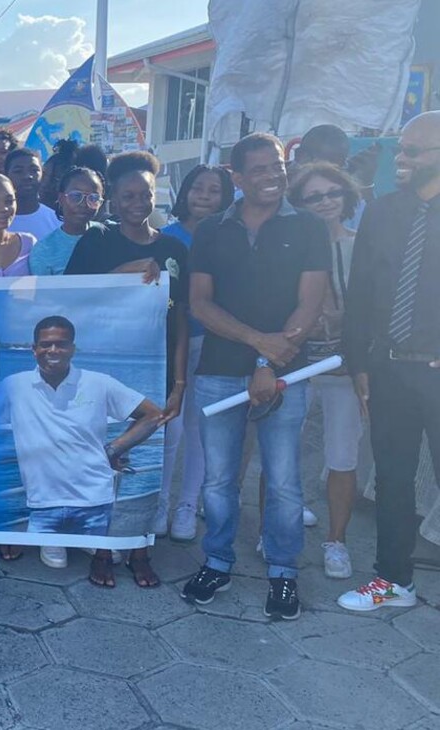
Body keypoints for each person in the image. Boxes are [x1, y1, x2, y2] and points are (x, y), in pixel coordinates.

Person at [181, 133, 330, 621]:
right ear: (237, 177)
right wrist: (258, 344)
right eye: (260, 169)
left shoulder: (308, 226)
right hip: (220, 372)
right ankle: (217, 561)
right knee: (219, 480)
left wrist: (269, 362)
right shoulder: (210, 232)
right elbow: (200, 303)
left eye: (279, 167)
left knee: (284, 481)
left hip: (286, 373)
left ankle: (284, 573)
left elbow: (310, 302)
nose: (273, 176)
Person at [64, 150, 189, 587]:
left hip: (156, 370)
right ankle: (101, 549)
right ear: (113, 201)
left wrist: (178, 382)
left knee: (148, 466)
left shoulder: (174, 248)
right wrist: (124, 271)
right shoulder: (96, 241)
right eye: (129, 195)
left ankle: (139, 548)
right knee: (105, 459)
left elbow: (180, 321)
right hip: (103, 368)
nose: (138, 202)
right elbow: (70, 298)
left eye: (146, 194)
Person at [338, 111, 440, 612]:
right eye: (401, 148)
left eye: (413, 152)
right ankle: (393, 581)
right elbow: (361, 295)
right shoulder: (382, 212)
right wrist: (360, 364)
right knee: (394, 480)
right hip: (390, 369)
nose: (401, 159)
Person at [2, 316, 163, 588]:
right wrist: (1, 535)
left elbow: (153, 415)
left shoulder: (99, 383)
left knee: (106, 557)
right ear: (34, 349)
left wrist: (114, 448)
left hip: (95, 503)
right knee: (56, 564)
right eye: (46, 344)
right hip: (43, 507)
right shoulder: (13, 385)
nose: (53, 350)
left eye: (61, 344)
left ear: (73, 349)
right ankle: (70, 544)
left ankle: (93, 548)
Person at [283, 162, 365, 580]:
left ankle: (337, 541)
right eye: (314, 196)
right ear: (299, 203)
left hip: (345, 367)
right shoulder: (289, 247)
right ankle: (276, 526)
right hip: (296, 362)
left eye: (333, 193)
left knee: (342, 456)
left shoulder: (361, 244)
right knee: (281, 451)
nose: (326, 202)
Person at [158, 164, 235, 542]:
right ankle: (160, 501)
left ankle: (187, 504)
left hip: (212, 342)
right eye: (198, 188)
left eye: (214, 190)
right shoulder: (165, 238)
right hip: (170, 344)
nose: (204, 196)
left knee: (200, 430)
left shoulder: (230, 236)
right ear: (185, 192)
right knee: (168, 424)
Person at [29, 166, 104, 276]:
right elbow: (43, 291)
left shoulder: (108, 235)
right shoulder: (45, 249)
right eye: (76, 196)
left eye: (93, 198)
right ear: (61, 198)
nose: (84, 204)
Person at [5, 148, 60, 242]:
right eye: (18, 171)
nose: (27, 176)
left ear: (43, 174)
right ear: (6, 175)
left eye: (34, 170)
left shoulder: (56, 222)